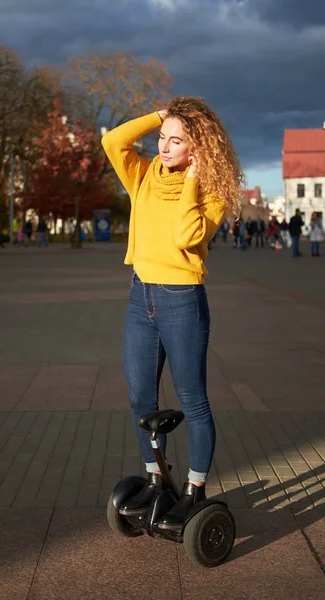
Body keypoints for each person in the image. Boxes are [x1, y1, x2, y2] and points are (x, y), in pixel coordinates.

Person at [101, 96, 244, 530]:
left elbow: (186, 234)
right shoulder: (142, 175)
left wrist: (194, 178)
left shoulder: (214, 191)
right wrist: (161, 115)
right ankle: (156, 476)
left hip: (182, 300)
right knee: (140, 398)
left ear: (197, 148)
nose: (163, 147)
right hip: (140, 296)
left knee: (193, 401)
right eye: (162, 138)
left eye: (176, 140)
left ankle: (195, 488)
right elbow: (112, 140)